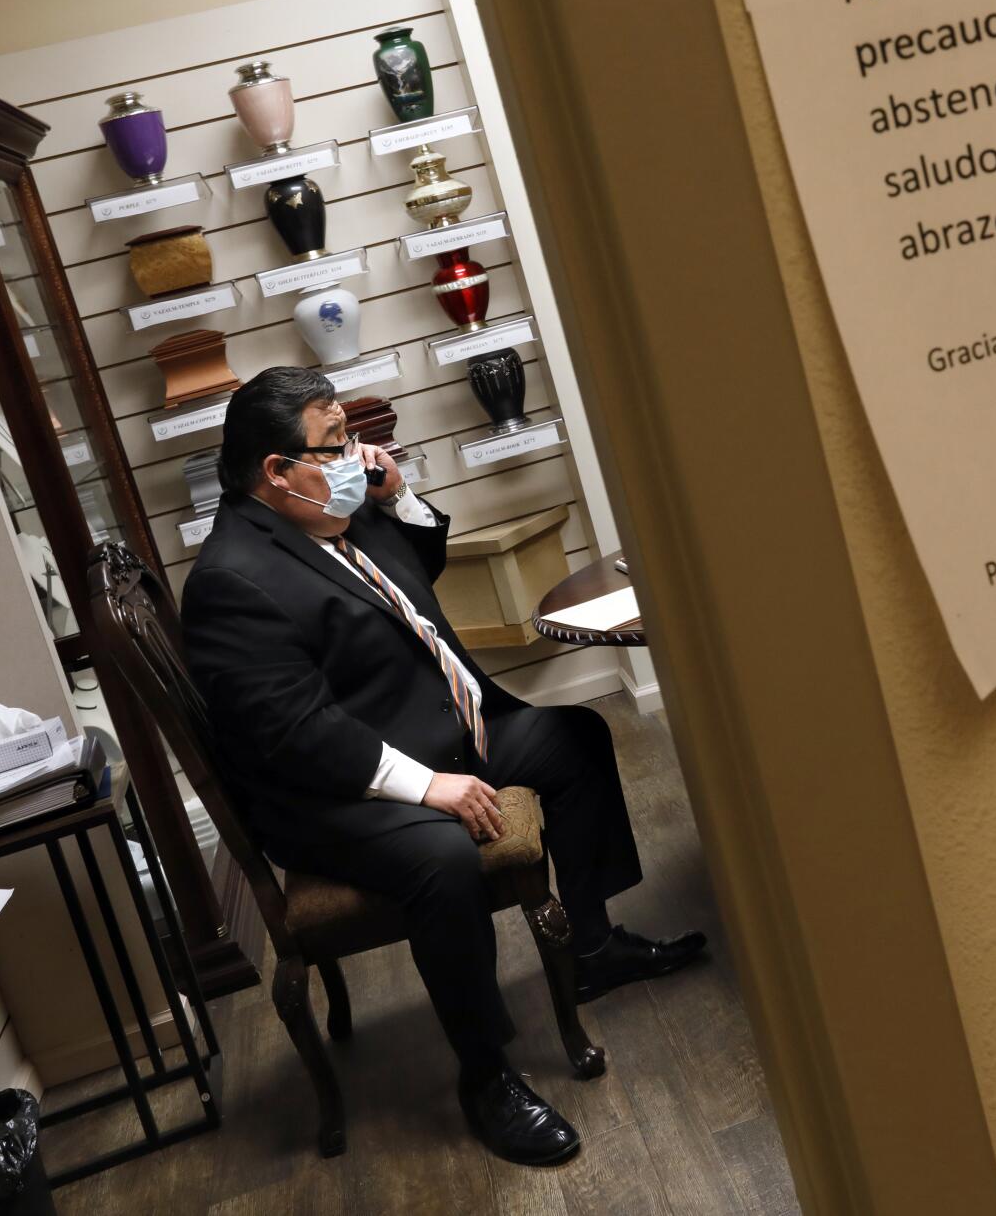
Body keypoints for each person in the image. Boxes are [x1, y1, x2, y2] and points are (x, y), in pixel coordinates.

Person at [181, 366, 706, 1166]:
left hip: (435, 729)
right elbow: (294, 732)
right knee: (443, 861)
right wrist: (428, 787)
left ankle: (592, 950)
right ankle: (486, 1071)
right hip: (334, 789)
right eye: (335, 446)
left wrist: (396, 497)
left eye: (351, 438)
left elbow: (415, 568)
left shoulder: (326, 513)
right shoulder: (233, 580)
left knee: (574, 740)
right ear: (275, 473)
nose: (354, 456)